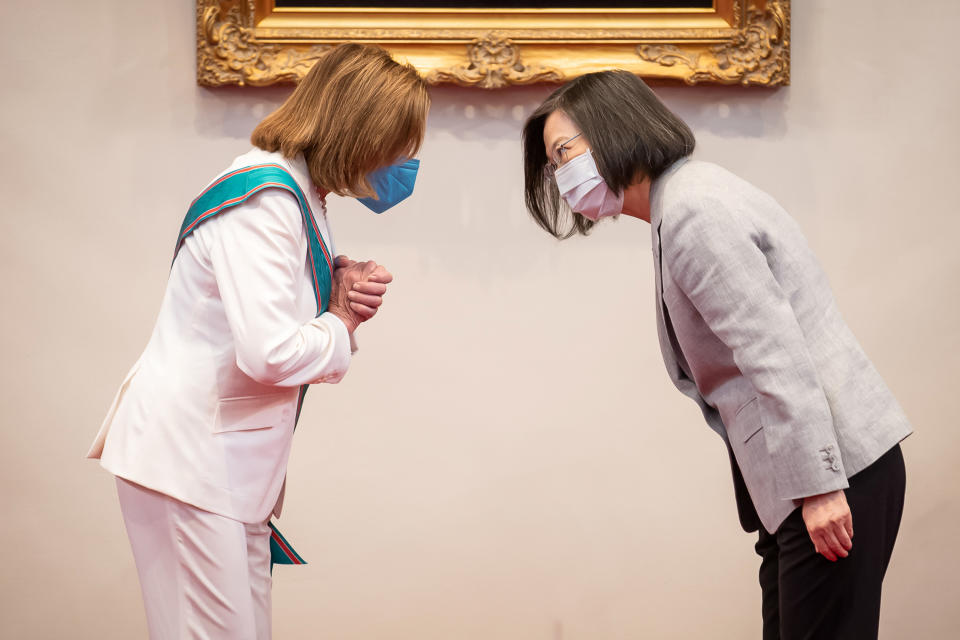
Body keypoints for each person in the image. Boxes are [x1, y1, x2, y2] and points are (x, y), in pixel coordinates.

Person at [521, 70, 912, 639]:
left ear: (612, 130)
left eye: (563, 154)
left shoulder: (693, 212)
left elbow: (774, 355)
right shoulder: (686, 198)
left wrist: (821, 488)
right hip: (809, 476)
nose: (562, 177)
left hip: (831, 472)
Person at [87, 43, 430, 639]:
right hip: (190, 461)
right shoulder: (266, 199)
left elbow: (278, 317)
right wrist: (342, 320)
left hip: (226, 469)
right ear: (359, 132)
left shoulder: (299, 194)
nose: (405, 160)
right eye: (399, 142)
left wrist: (331, 293)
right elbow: (270, 353)